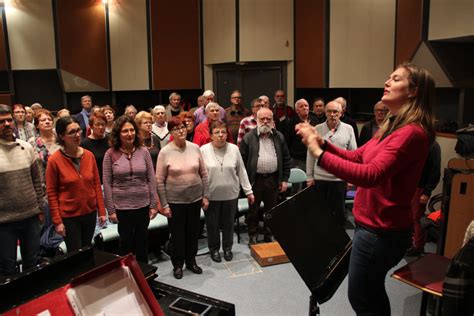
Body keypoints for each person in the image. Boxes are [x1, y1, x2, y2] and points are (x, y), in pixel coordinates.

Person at [296, 63, 436, 315]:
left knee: (362, 296)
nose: (387, 82)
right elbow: (359, 156)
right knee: (369, 293)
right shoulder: (392, 127)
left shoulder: (412, 133)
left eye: (396, 79)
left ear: (413, 91)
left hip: (381, 232)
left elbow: (370, 175)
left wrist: (318, 153)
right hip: (370, 227)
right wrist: (323, 145)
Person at [156, 117, 209, 279]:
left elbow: (204, 174)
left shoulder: (194, 148)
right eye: (177, 129)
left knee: (193, 233)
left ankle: (191, 261)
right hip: (175, 202)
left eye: (183, 127)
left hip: (194, 200)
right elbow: (159, 180)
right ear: (171, 132)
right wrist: (164, 205)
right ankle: (178, 265)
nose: (181, 131)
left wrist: (205, 196)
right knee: (178, 235)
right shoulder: (165, 152)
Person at [103, 116, 160, 263]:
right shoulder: (110, 154)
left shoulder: (143, 152)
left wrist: (154, 204)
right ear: (118, 134)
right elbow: (107, 183)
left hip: (143, 204)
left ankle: (144, 275)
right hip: (122, 207)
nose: (129, 134)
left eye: (132, 130)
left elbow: (151, 178)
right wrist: (111, 210)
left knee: (142, 241)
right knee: (125, 243)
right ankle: (127, 276)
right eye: (125, 131)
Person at [46, 116, 106, 252]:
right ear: (62, 136)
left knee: (88, 249)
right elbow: (51, 193)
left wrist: (101, 211)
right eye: (72, 132)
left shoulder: (89, 155)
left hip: (89, 213)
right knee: (75, 254)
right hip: (69, 217)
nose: (77, 134)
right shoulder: (54, 160)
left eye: (78, 130)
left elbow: (96, 184)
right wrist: (57, 221)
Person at [201, 121, 254, 262]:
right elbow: (200, 175)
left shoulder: (234, 149)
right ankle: (214, 250)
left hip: (231, 195)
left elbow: (241, 171)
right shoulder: (203, 150)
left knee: (228, 224)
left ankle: (227, 248)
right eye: (217, 132)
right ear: (211, 135)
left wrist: (248, 191)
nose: (220, 135)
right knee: (212, 226)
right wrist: (203, 195)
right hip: (211, 195)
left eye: (223, 132)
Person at [0, 104, 44, 276]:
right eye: (1, 121)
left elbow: (37, 182)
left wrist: (40, 208)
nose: (6, 124)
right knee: (7, 267)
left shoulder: (27, 147)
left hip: (30, 217)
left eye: (9, 120)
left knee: (32, 263)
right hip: (4, 222)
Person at [240, 107, 292, 245]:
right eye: (262, 119)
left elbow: (286, 159)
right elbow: (242, 162)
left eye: (268, 119)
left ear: (272, 121)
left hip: (273, 179)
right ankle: (253, 234)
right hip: (254, 180)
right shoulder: (248, 137)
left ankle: (269, 233)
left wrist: (284, 179)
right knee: (253, 210)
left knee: (272, 209)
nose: (265, 121)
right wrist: (245, 183)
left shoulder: (279, 136)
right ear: (256, 120)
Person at [306, 101, 357, 227]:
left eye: (335, 112)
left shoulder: (348, 129)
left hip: (340, 178)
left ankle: (339, 241)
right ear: (325, 112)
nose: (332, 114)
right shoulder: (317, 129)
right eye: (329, 111)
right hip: (320, 178)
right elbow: (311, 154)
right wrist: (309, 176)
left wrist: (351, 178)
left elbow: (353, 154)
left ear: (341, 113)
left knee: (339, 213)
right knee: (321, 211)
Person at [406, 140, 441, 256]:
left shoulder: (433, 146)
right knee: (408, 216)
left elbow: (435, 171)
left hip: (421, 187)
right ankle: (409, 243)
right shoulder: (415, 143)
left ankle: (418, 246)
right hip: (409, 184)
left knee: (417, 217)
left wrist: (427, 192)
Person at [285, 99, 318, 171]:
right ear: (296, 110)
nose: (304, 108)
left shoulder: (315, 121)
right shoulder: (291, 123)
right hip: (297, 159)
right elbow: (287, 141)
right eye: (301, 106)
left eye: (306, 106)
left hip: (313, 157)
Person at [80, 112, 110, 184]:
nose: (100, 127)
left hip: (110, 180)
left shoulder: (110, 140)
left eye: (103, 124)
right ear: (91, 126)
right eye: (97, 124)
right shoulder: (84, 144)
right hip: (94, 182)